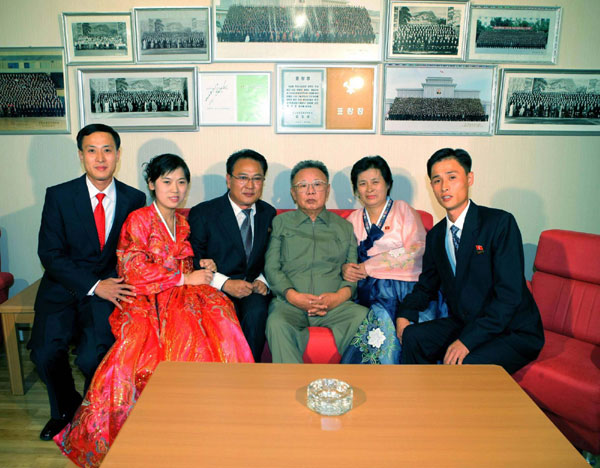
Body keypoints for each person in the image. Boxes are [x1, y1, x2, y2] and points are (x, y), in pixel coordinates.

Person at [54, 154, 253, 467]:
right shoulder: (138, 219)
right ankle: (163, 431)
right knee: (156, 349)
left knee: (222, 320)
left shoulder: (183, 222)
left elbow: (185, 260)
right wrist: (184, 277)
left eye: (181, 182)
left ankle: (215, 420)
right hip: (148, 298)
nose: (175, 189)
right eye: (167, 181)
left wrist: (203, 266)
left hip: (183, 293)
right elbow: (132, 270)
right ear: (151, 184)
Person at [28, 124, 146, 441]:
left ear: (118, 155)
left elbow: (134, 251)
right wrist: (94, 284)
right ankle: (66, 410)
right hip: (62, 287)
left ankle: (94, 414)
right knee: (43, 352)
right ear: (81, 155)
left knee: (94, 356)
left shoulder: (135, 199)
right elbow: (49, 253)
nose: (100, 158)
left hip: (107, 293)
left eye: (107, 149)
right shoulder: (59, 195)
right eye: (91, 150)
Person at [396, 148, 544, 373]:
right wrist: (405, 313)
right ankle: (421, 403)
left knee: (465, 362)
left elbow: (509, 296)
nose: (444, 186)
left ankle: (455, 407)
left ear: (469, 178)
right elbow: (426, 286)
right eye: (437, 180)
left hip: (511, 330)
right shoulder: (436, 236)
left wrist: (467, 341)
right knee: (414, 336)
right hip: (466, 323)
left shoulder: (499, 223)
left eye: (452, 177)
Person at [340, 156, 446, 364]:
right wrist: (346, 268)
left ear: (388, 184)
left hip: (409, 288)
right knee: (381, 331)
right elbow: (343, 256)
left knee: (413, 333)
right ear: (356, 190)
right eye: (362, 183)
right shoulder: (352, 220)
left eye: (375, 182)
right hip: (370, 292)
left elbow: (416, 248)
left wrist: (369, 265)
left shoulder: (403, 210)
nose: (369, 189)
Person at [265, 160, 367, 363]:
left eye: (317, 184)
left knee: (363, 316)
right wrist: (293, 296)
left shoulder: (344, 227)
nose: (310, 191)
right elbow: (272, 267)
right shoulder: (281, 223)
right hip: (290, 304)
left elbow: (352, 274)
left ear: (327, 190)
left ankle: (344, 383)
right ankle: (292, 385)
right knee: (276, 323)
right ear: (293, 193)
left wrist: (337, 299)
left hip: (334, 307)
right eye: (302, 186)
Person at [188, 149, 276, 362]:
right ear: (229, 180)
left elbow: (274, 255)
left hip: (252, 289)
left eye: (257, 179)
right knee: (218, 314)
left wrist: (263, 280)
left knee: (256, 312)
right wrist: (225, 284)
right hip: (214, 288)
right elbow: (193, 258)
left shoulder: (268, 214)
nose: (250, 185)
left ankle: (248, 375)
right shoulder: (204, 213)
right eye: (243, 178)